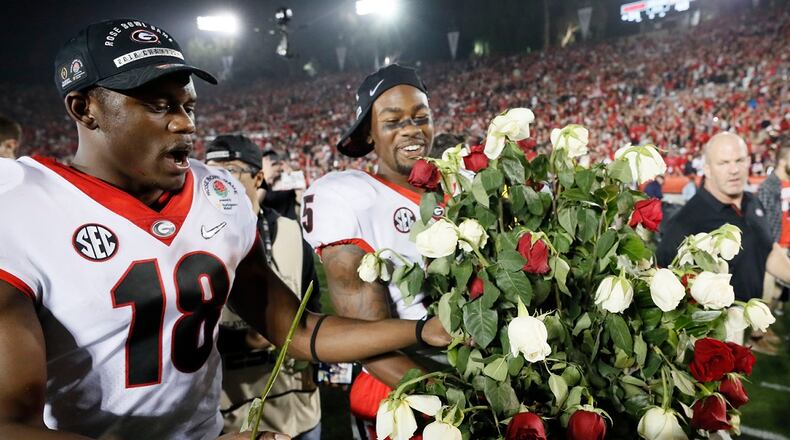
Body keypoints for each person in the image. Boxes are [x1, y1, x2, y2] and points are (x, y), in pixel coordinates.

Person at [0, 19, 449, 440]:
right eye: (159, 106)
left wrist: (421, 331)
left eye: (187, 105)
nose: (185, 123)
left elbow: (297, 331)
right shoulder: (21, 207)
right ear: (85, 108)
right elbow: (9, 423)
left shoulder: (219, 192)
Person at [301, 64, 442, 440]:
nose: (412, 129)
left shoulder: (463, 188)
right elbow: (365, 338)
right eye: (394, 121)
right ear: (370, 132)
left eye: (421, 118)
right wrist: (447, 399)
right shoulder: (352, 197)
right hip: (406, 388)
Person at [205, 135, 322, 440]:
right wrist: (246, 339)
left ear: (258, 177)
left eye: (228, 170)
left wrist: (314, 364)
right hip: (232, 416)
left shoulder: (291, 231)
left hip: (298, 405)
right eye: (207, 172)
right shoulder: (190, 238)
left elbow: (314, 308)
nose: (214, 181)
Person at [657, 132, 790, 349]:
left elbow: (768, 251)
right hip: (713, 331)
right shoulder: (687, 221)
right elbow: (663, 279)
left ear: (748, 161)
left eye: (739, 160)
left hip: (747, 320)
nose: (734, 169)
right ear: (707, 168)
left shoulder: (752, 202)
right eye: (724, 162)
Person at [756, 137, 790, 318]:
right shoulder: (768, 187)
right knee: (766, 295)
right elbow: (761, 225)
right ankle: (756, 337)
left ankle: (763, 332)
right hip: (774, 247)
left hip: (787, 246)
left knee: (778, 292)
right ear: (783, 161)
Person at [260, 150, 301, 221]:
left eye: (277, 163)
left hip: (289, 226)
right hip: (268, 226)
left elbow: (300, 200)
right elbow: (255, 204)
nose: (276, 167)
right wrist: (266, 178)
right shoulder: (259, 184)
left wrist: (292, 176)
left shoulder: (288, 183)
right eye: (272, 164)